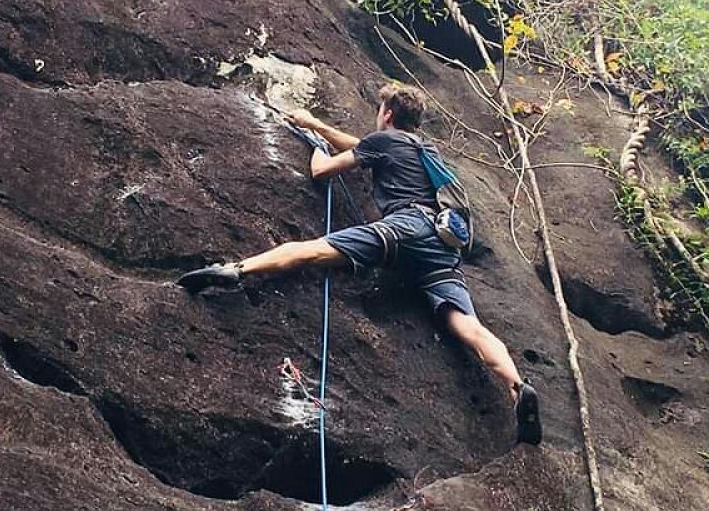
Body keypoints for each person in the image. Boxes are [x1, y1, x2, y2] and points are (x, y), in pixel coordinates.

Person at [177, 84, 542, 445]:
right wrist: (318, 124)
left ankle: (235, 270)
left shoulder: (383, 142)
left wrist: (316, 146)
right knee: (468, 325)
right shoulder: (425, 151)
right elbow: (361, 147)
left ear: (386, 114)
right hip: (442, 244)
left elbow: (323, 170)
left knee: (313, 251)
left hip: (404, 228)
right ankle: (517, 386)